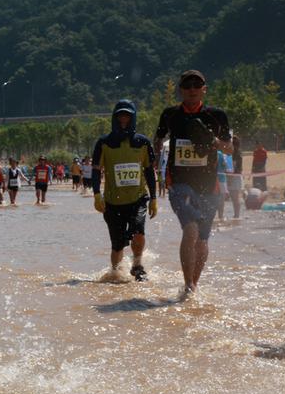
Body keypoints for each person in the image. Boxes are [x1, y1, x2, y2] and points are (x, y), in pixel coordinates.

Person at [153, 70, 233, 297]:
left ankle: (193, 286)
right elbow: (158, 139)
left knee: (202, 240)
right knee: (190, 230)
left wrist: (213, 141)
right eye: (187, 85)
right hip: (179, 183)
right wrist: (156, 153)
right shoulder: (170, 115)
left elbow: (230, 148)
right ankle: (187, 285)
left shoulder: (217, 115)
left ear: (204, 89)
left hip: (210, 186)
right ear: (181, 89)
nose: (192, 89)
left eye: (197, 85)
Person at [91, 100, 158, 280]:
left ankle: (137, 266)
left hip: (138, 199)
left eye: (127, 115)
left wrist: (154, 198)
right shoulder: (103, 143)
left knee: (138, 232)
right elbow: (96, 171)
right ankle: (115, 274)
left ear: (133, 117)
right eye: (120, 115)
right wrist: (96, 194)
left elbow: (149, 171)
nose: (123, 119)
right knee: (117, 245)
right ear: (114, 117)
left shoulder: (143, 143)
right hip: (112, 202)